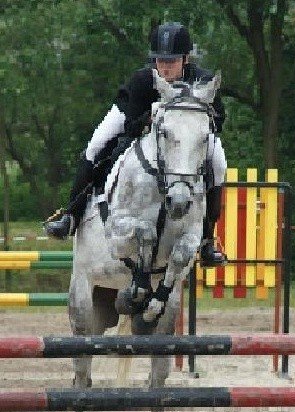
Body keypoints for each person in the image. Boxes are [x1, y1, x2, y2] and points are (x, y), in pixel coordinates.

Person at [45, 22, 227, 266]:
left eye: (171, 61)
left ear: (185, 59)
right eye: (160, 60)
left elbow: (220, 118)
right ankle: (71, 215)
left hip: (187, 139)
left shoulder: (202, 81)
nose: (164, 67)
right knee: (95, 146)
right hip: (135, 120)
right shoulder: (143, 81)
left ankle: (207, 241)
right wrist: (149, 118)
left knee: (219, 164)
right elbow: (129, 128)